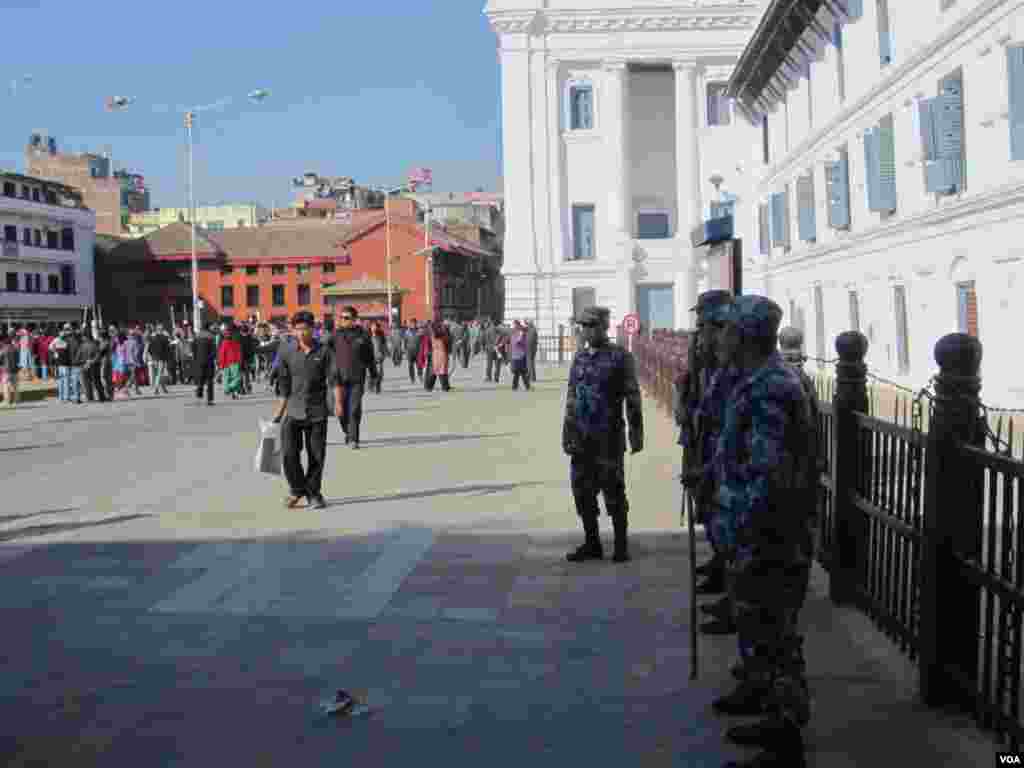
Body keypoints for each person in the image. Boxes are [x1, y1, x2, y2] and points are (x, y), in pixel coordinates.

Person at [708, 297, 815, 768]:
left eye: (727, 331)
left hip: (768, 535)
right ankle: (762, 699)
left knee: (776, 635)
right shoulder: (752, 379)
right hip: (754, 530)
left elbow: (768, 476)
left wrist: (743, 533)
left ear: (746, 337)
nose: (720, 339)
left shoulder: (771, 388)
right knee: (758, 626)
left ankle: (784, 741)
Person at [562, 306, 644, 563]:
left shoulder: (620, 357)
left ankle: (621, 546)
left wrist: (636, 433)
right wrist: (567, 432)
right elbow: (571, 397)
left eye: (591, 326)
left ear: (603, 327)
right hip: (581, 438)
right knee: (582, 492)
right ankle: (592, 543)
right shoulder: (580, 358)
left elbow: (633, 397)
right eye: (583, 326)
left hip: (608, 437)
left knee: (614, 491)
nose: (586, 331)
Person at [272, 310, 331, 509]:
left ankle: (314, 494)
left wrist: (337, 404)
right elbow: (283, 384)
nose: (301, 333)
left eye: (305, 329)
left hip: (317, 411)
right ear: (293, 330)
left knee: (316, 455)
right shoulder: (286, 351)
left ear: (313, 329)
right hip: (293, 410)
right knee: (288, 453)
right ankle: (297, 489)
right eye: (297, 329)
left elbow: (333, 380)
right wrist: (279, 412)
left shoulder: (324, 351)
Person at [332, 306, 377, 449]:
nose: (343, 320)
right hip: (339, 379)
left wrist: (374, 374)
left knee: (354, 409)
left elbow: (370, 356)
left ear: (354, 319)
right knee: (341, 412)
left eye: (346, 318)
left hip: (357, 378)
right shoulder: (335, 335)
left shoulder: (363, 335)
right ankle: (348, 431)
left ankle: (353, 438)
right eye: (341, 317)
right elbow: (325, 354)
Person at [192, 323, 218, 405]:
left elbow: (193, 349)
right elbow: (214, 351)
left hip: (199, 361)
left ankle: (199, 396)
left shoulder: (197, 336)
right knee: (210, 380)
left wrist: (195, 359)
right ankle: (209, 400)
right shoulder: (211, 337)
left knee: (200, 379)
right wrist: (213, 358)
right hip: (209, 361)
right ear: (208, 328)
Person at [217, 322, 244, 400]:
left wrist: (220, 363)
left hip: (228, 361)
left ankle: (229, 390)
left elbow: (221, 352)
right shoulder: (235, 338)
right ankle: (231, 390)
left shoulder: (225, 338)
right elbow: (239, 351)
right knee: (236, 377)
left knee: (228, 378)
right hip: (233, 361)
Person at [430, 321, 452, 392]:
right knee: (442, 370)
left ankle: (429, 386)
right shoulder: (441, 334)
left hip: (436, 353)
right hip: (441, 353)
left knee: (436, 370)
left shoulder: (434, 334)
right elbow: (447, 342)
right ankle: (445, 387)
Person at [509, 320, 530, 391]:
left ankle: (517, 386)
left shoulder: (519, 333)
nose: (514, 327)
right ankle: (521, 386)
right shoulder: (515, 333)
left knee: (520, 372)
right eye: (514, 325)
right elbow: (515, 343)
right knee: (519, 372)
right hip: (517, 355)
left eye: (515, 325)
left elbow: (520, 342)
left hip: (519, 355)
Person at [0, 330, 19, 407]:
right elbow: (17, 359)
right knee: (15, 387)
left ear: (4, 343)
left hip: (6, 370)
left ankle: (7, 401)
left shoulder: (3, 350)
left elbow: (0, 359)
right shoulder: (15, 349)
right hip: (15, 370)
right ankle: (16, 401)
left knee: (6, 386)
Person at [369, 321, 388, 394]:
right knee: (371, 374)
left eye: (376, 327)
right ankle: (371, 385)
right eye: (373, 326)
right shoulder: (367, 336)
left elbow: (384, 346)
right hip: (370, 358)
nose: (374, 328)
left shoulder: (381, 336)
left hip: (379, 357)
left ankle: (378, 385)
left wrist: (384, 353)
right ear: (370, 327)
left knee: (380, 373)